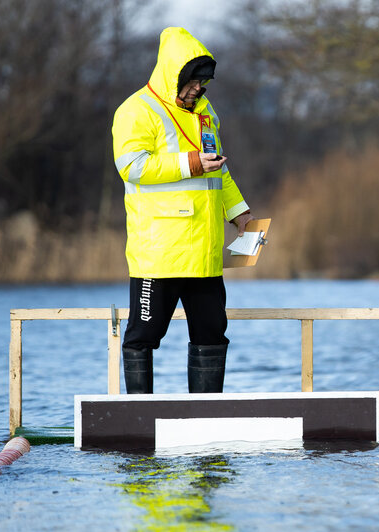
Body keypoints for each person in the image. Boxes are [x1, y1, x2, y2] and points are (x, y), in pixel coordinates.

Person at [112, 27, 253, 394]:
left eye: (205, 82)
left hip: (204, 254)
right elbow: (133, 167)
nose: (199, 89)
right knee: (142, 337)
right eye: (192, 81)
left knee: (211, 336)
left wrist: (240, 214)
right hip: (158, 254)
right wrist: (191, 162)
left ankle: (205, 419)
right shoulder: (136, 110)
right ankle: (138, 422)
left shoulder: (207, 115)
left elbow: (218, 171)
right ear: (173, 75)